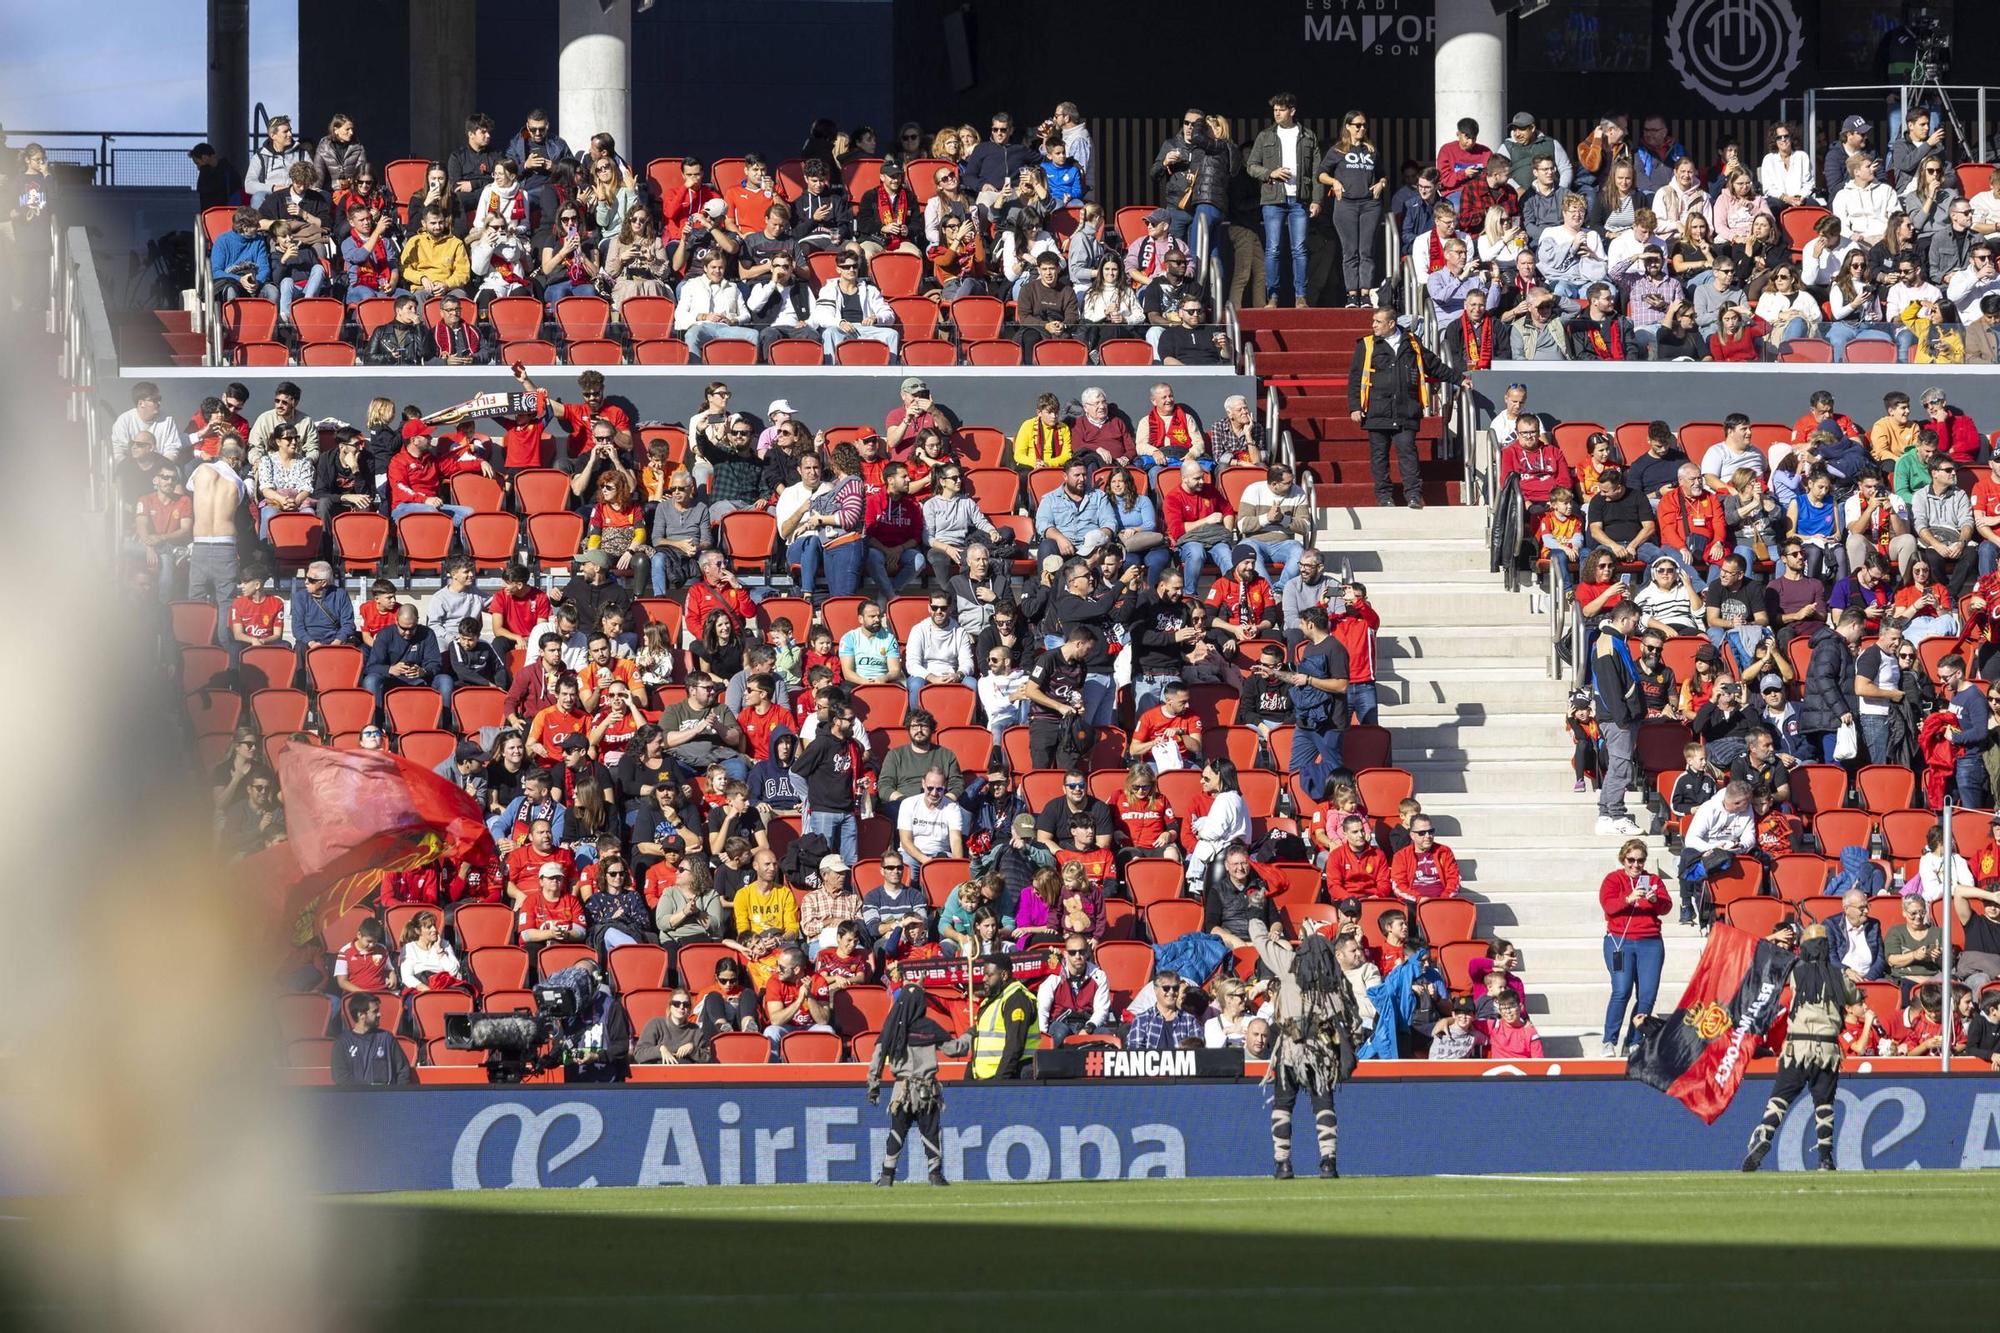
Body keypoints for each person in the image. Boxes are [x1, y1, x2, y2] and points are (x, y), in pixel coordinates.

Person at [1741, 924, 1858, 1172]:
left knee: (1780, 1097)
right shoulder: (1839, 976)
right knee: (1824, 1103)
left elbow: (1764, 960)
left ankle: (1764, 1133)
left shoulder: (1795, 971)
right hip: (1827, 1049)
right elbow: (1855, 997)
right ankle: (1825, 1157)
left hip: (1797, 1046)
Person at [1249, 918, 1357, 1178]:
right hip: (1322, 1052)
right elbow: (1351, 1018)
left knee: (1283, 1105)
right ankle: (1328, 1162)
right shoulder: (1334, 978)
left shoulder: (1289, 964)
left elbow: (1260, 941)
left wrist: (1256, 916)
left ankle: (1282, 1163)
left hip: (1290, 1049)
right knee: (1324, 1105)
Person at [867, 979, 971, 1185]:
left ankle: (887, 1175)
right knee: (930, 1132)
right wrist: (969, 1035)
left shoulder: (890, 1030)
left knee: (897, 1131)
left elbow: (876, 1060)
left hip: (901, 1091)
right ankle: (935, 1175)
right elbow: (956, 1049)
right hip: (927, 1091)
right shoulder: (929, 1027)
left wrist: (873, 1087)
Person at [1348, 307, 1432, 509]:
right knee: (1379, 457)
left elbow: (1433, 363)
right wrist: (1355, 407)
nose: (1373, 325)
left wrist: (1459, 379)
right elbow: (1355, 378)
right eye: (1373, 321)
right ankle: (1384, 497)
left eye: (1378, 321)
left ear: (1391, 323)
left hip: (1406, 410)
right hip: (1377, 410)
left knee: (1408, 453)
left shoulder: (1411, 342)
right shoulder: (1366, 345)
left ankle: (1413, 495)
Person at [1245, 93, 1322, 307]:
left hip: (1300, 199)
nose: (1277, 113)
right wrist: (1271, 173)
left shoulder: (1307, 136)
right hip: (1272, 199)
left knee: (1299, 248)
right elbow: (1251, 165)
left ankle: (1300, 296)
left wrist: (1317, 199)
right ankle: (1273, 296)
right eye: (1275, 109)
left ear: (1292, 111)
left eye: (1281, 109)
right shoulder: (1265, 136)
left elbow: (1317, 171)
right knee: (1273, 248)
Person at [1600, 839, 1671, 1057]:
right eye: (1631, 860)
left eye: (1640, 861)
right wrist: (1628, 898)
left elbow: (1666, 906)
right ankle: (1609, 1040)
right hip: (1620, 941)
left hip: (1650, 942)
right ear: (1623, 859)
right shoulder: (1613, 879)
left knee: (1647, 994)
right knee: (1621, 991)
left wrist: (1654, 900)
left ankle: (1635, 1040)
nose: (1636, 865)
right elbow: (1608, 906)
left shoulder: (1653, 880)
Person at [1591, 601, 1646, 836]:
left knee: (1618, 765)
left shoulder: (1615, 642)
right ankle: (1616, 814)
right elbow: (1609, 686)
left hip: (1620, 717)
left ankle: (1606, 813)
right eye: (1634, 621)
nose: (1636, 626)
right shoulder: (1607, 644)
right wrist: (1623, 716)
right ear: (1623, 620)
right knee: (1621, 767)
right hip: (1617, 718)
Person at [966, 953, 1039, 1081]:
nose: (983, 979)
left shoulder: (1016, 1000)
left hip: (1010, 1077)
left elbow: (1015, 1045)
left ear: (1004, 975)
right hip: (987, 1078)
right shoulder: (994, 1000)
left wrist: (999, 1082)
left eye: (989, 975)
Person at [1038, 934, 1112, 1042]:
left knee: (1106, 1035)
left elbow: (1101, 1010)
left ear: (1087, 953)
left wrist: (1088, 1029)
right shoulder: (1054, 975)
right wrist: (1043, 1037)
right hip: (1061, 1023)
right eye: (1073, 953)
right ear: (1066, 954)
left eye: (1081, 952)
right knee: (1059, 1033)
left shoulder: (1099, 976)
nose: (1077, 956)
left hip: (1087, 1023)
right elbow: (1042, 1009)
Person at [329, 994, 414, 1087]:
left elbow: (403, 1071)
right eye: (375, 1011)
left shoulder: (386, 1039)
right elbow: (340, 1077)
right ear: (361, 1015)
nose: (379, 1014)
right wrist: (367, 1092)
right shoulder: (343, 1042)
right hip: (356, 1099)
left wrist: (397, 1095)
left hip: (385, 1098)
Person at [1126, 970, 1203, 1050]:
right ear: (1155, 990)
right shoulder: (1142, 1020)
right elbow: (1135, 1053)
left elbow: (1197, 1052)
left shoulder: (1189, 1020)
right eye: (1166, 988)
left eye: (1175, 988)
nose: (1171, 992)